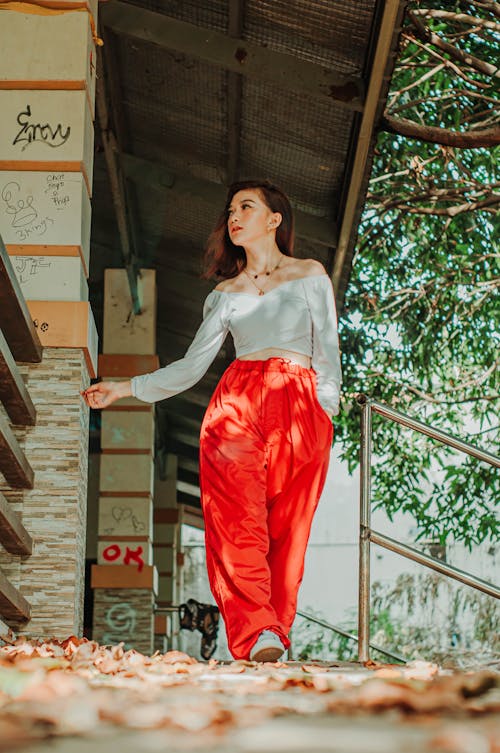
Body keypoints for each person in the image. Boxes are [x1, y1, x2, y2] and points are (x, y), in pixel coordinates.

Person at [82, 179, 342, 662]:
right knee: (236, 523)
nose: (234, 216)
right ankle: (256, 631)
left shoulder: (310, 275)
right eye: (230, 210)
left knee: (288, 531)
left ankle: (273, 632)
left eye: (247, 206)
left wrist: (325, 411)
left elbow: (328, 352)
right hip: (236, 407)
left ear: (274, 219)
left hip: (299, 404)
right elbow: (190, 367)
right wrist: (125, 387)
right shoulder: (226, 293)